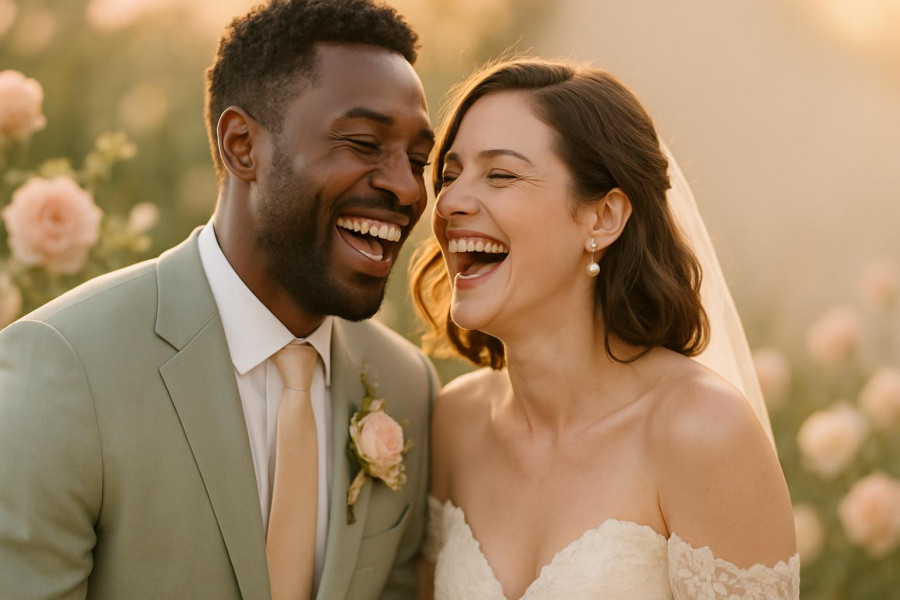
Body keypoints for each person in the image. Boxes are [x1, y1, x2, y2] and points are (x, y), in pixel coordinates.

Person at [0, 1, 437, 599]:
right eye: (364, 143)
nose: (408, 187)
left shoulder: (406, 383)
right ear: (241, 145)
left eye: (418, 160)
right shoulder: (64, 368)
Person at [411, 58, 800, 599]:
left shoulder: (702, 433)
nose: (449, 201)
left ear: (602, 218)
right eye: (450, 175)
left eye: (500, 174)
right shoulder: (456, 422)